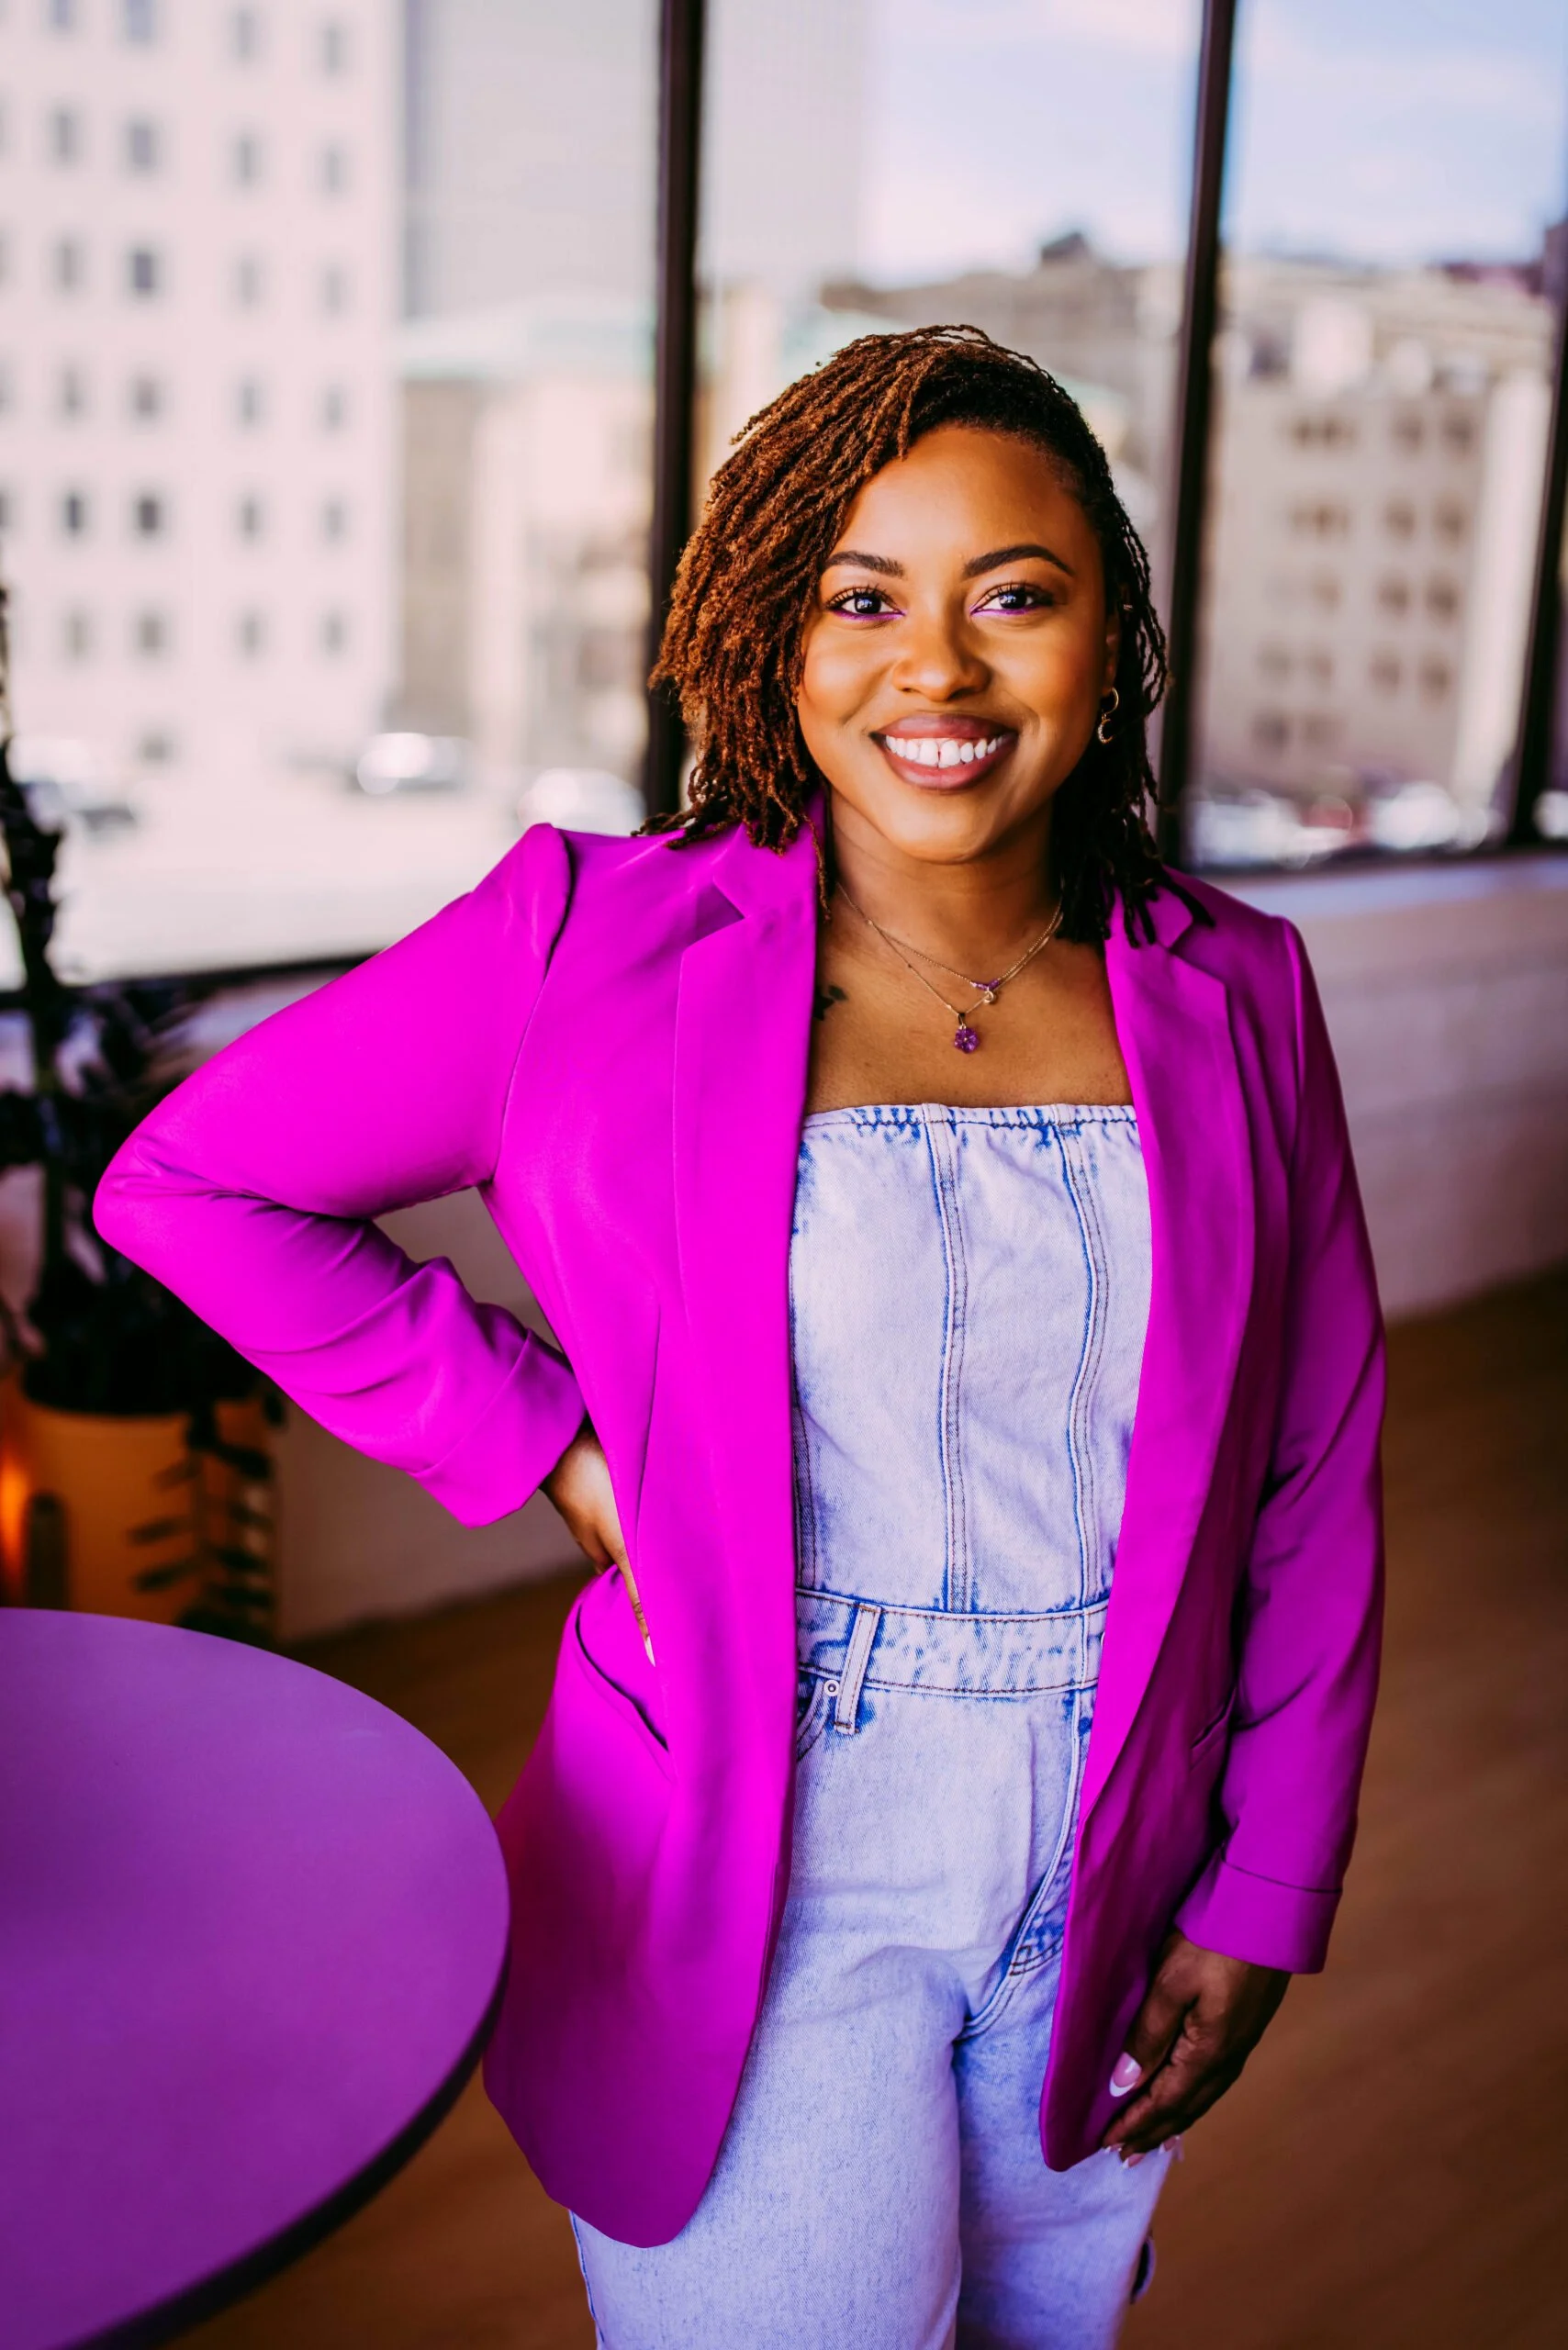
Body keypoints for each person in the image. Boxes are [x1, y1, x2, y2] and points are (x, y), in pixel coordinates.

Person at [95, 325, 1384, 2349]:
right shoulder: (584, 940)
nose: (932, 669)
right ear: (768, 632)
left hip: (1126, 1843)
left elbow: (1309, 1465)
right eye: (860, 596)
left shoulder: (1236, 987)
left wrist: (1263, 1888)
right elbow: (189, 1185)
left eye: (1011, 597)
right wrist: (550, 1450)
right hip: (754, 1853)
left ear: (1106, 639)